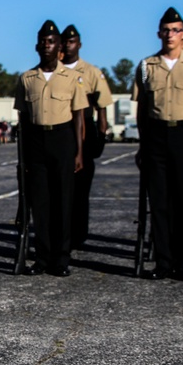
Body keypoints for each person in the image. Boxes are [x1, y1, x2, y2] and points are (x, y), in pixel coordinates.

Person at [132, 7, 183, 281]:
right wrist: (142, 144)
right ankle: (163, 263)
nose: (170, 34)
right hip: (155, 136)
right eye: (166, 30)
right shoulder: (146, 66)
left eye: (176, 30)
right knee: (160, 202)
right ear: (158, 33)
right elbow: (141, 108)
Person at [13, 21, 88, 277]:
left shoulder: (72, 78)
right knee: (40, 204)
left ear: (59, 48)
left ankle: (61, 258)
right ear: (37, 46)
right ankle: (42, 258)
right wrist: (21, 155)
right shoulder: (26, 79)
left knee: (63, 202)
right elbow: (22, 118)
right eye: (43, 41)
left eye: (52, 41)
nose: (47, 45)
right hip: (35, 142)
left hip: (62, 139)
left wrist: (79, 151)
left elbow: (78, 117)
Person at [59, 25, 113, 250]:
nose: (68, 46)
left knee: (81, 187)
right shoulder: (55, 70)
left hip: (85, 131)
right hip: (62, 130)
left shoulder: (91, 72)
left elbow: (102, 108)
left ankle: (78, 233)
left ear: (79, 44)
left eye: (72, 42)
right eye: (65, 42)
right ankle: (62, 231)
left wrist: (101, 135)